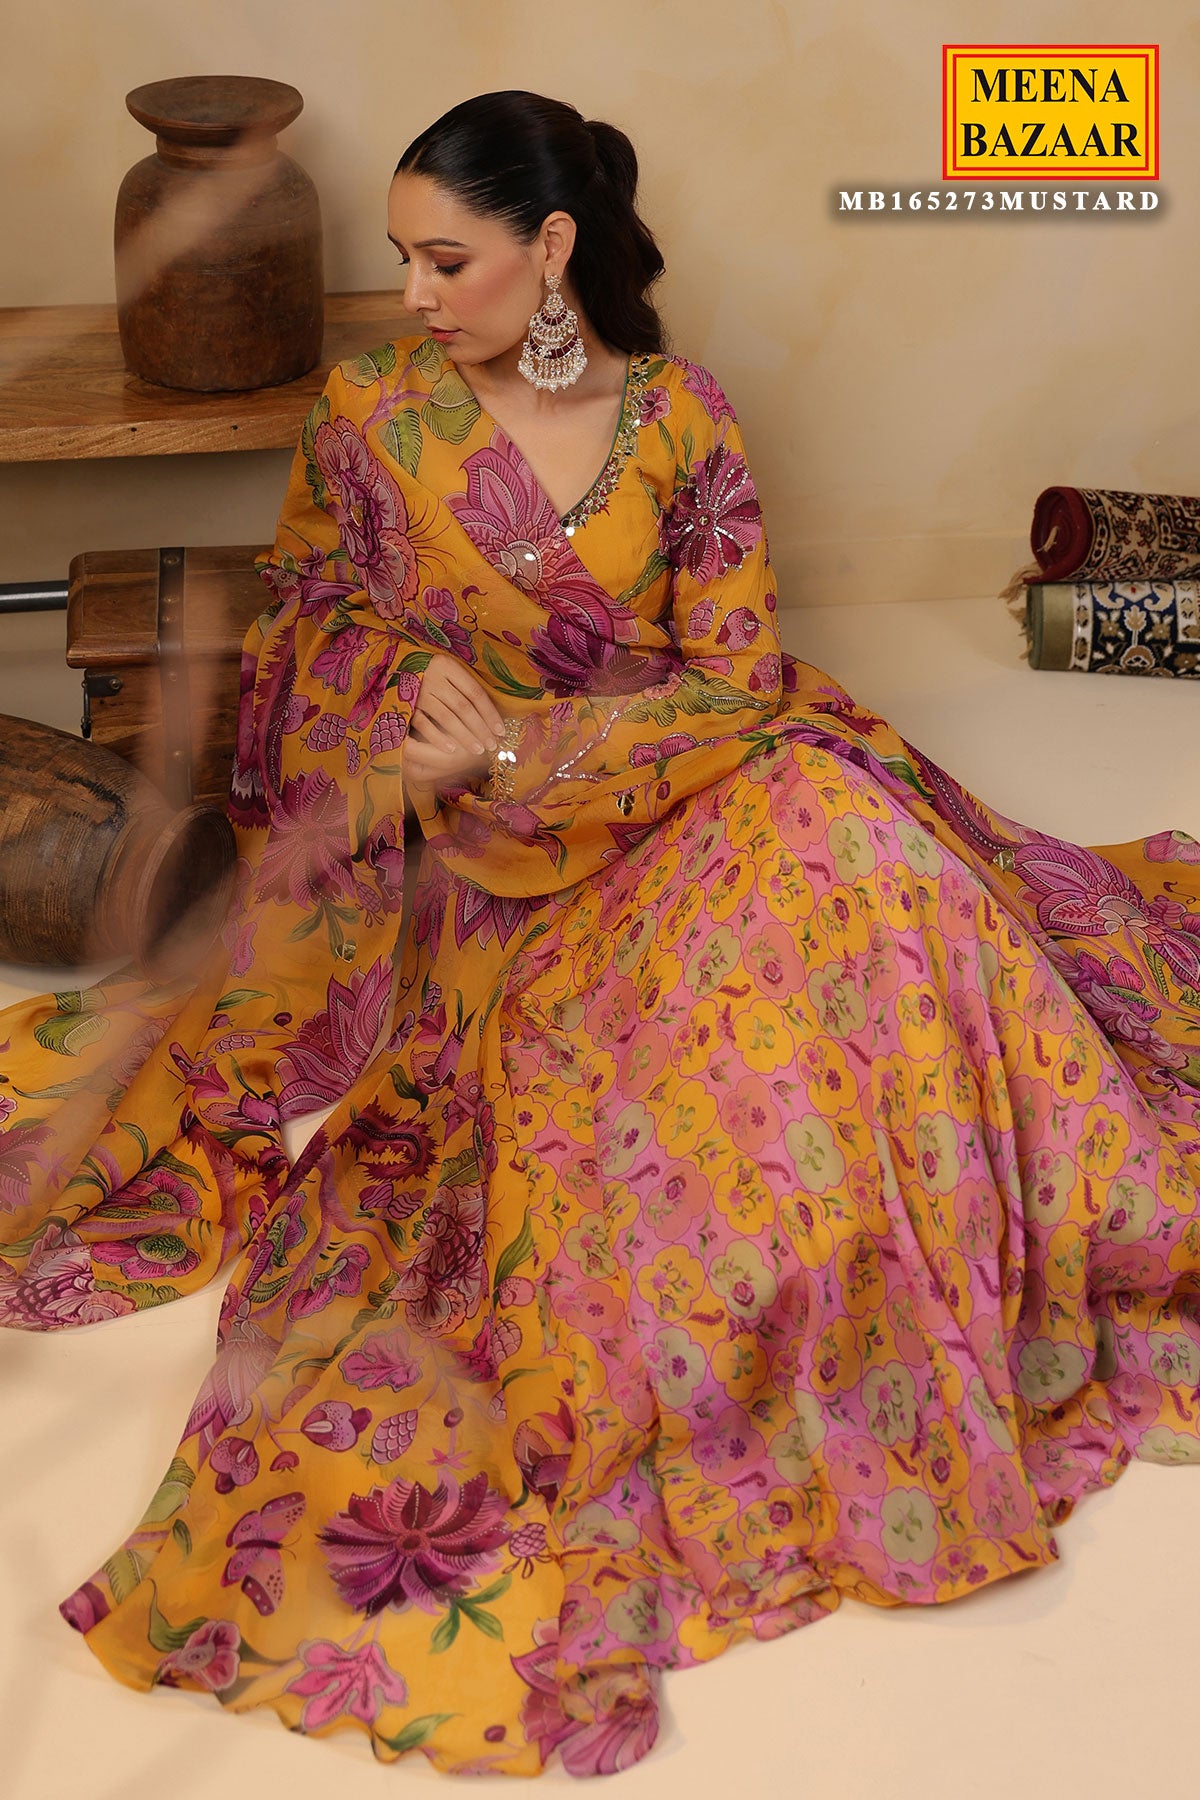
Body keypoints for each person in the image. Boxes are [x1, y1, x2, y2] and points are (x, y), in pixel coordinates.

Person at [2, 89, 1199, 1779]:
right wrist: (409, 717)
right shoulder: (372, 417)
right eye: (406, 259)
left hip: (663, 785)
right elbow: (311, 624)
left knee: (862, 845)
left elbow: (733, 677)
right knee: (658, 1109)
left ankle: (999, 1237)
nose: (413, 294)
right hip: (476, 868)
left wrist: (527, 744)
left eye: (448, 261)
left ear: (553, 247)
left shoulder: (681, 420)